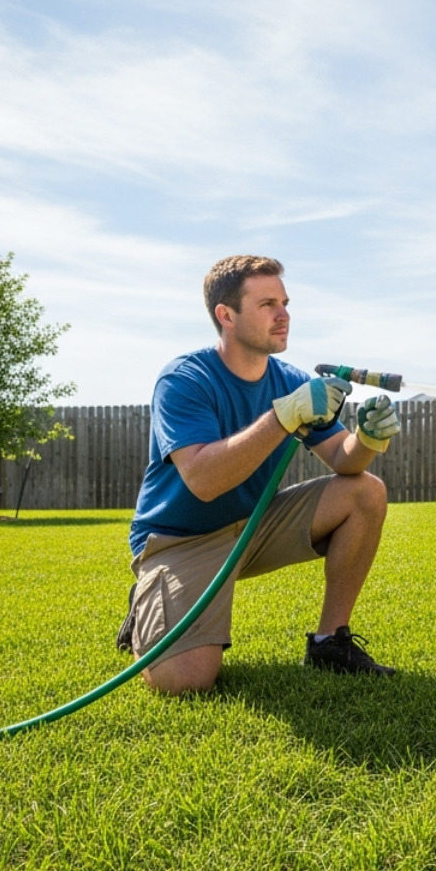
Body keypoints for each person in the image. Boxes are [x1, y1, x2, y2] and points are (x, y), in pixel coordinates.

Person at [119, 254, 401, 694]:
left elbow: (344, 462)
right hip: (181, 540)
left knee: (364, 491)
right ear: (226, 315)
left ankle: (330, 642)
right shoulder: (184, 379)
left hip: (255, 526)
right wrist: (283, 417)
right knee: (184, 682)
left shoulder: (290, 379)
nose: (284, 314)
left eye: (285, 302)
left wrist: (367, 438)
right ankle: (150, 603)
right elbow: (203, 480)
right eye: (267, 303)